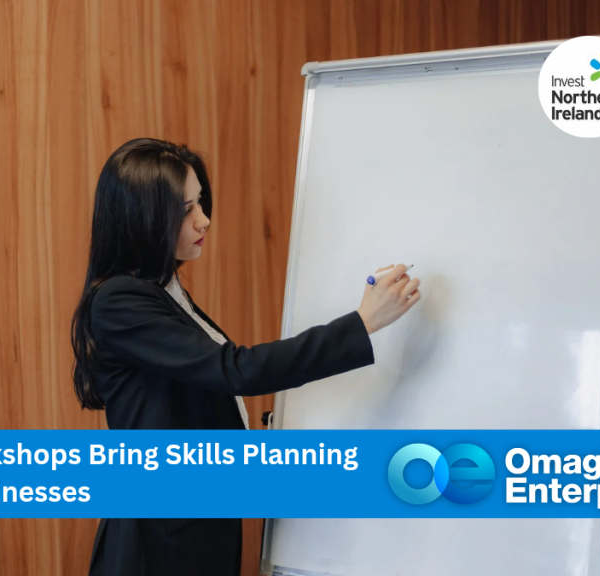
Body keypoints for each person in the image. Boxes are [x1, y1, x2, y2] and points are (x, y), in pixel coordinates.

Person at [71, 138, 421, 576]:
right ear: (142, 218)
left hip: (194, 529)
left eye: (200, 203)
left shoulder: (164, 291)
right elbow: (233, 369)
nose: (204, 220)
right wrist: (361, 323)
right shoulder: (120, 300)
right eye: (185, 210)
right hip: (158, 544)